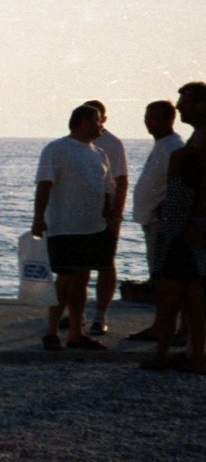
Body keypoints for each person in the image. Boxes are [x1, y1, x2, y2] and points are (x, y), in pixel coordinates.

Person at [32, 105, 114, 351]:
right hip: (65, 226)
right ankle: (51, 330)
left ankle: (76, 334)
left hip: (94, 228)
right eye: (98, 121)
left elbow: (108, 188)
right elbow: (44, 185)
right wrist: (38, 218)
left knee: (82, 280)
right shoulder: (56, 149)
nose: (102, 125)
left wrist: (108, 218)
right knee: (66, 277)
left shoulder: (100, 153)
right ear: (83, 122)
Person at [141, 82, 206, 374]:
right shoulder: (195, 137)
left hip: (189, 227)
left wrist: (194, 220)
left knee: (181, 292)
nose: (179, 107)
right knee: (184, 292)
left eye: (186, 101)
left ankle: (179, 354)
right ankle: (184, 353)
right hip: (179, 223)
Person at [126, 100, 185, 343]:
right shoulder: (163, 145)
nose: (148, 122)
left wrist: (164, 208)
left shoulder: (173, 146)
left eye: (153, 117)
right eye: (146, 117)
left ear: (168, 119)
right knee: (159, 277)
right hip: (152, 220)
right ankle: (166, 326)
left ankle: (166, 327)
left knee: (164, 279)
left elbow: (177, 183)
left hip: (162, 222)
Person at [80, 100, 129, 335]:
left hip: (105, 211)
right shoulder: (75, 142)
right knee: (78, 265)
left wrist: (116, 216)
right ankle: (75, 313)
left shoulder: (112, 143)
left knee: (105, 263)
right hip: (80, 211)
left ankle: (100, 315)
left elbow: (122, 181)